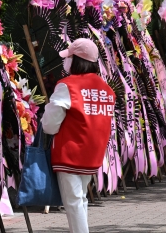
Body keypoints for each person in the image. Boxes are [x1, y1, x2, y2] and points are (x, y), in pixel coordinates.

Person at [41, 38, 115, 233]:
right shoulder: (106, 89)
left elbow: (50, 124)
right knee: (80, 199)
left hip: (70, 152)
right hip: (93, 154)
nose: (66, 62)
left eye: (69, 57)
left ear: (76, 60)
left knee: (74, 203)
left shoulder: (67, 85)